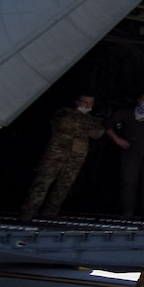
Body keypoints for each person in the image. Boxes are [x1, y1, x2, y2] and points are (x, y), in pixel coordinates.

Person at [19, 93, 105, 221]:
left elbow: (97, 133)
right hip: (56, 153)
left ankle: (50, 211)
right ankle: (29, 211)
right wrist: (84, 125)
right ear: (77, 102)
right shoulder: (64, 112)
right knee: (43, 182)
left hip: (76, 156)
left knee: (64, 185)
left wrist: (82, 124)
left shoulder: (92, 119)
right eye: (85, 102)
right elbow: (64, 124)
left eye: (90, 103)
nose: (87, 105)